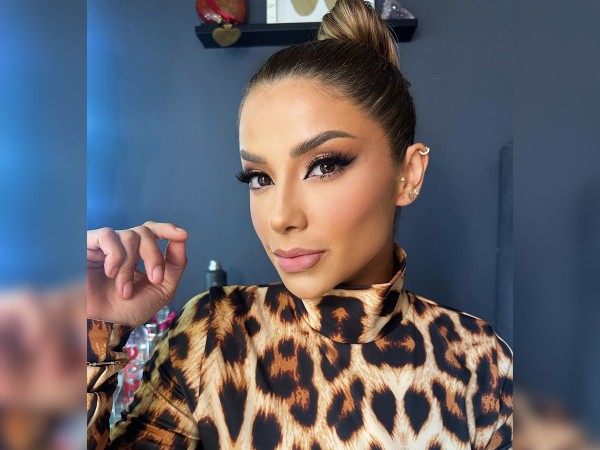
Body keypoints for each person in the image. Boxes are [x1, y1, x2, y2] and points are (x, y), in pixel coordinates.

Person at [86, 0, 513, 448]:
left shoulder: (479, 364)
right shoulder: (213, 335)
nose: (280, 217)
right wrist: (94, 328)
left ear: (407, 175)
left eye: (324, 166)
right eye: (259, 178)